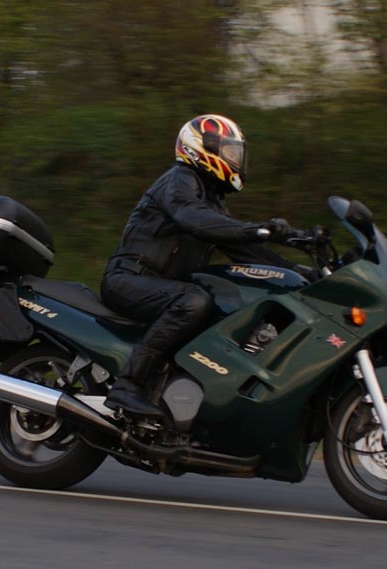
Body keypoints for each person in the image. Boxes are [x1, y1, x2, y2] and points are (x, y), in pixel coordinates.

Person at [100, 114, 311, 418]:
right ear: (201, 148)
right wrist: (258, 229)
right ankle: (127, 387)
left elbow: (245, 251)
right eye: (229, 152)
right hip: (129, 279)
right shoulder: (179, 180)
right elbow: (192, 218)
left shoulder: (213, 201)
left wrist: (302, 272)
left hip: (162, 287)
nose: (236, 160)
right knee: (193, 301)